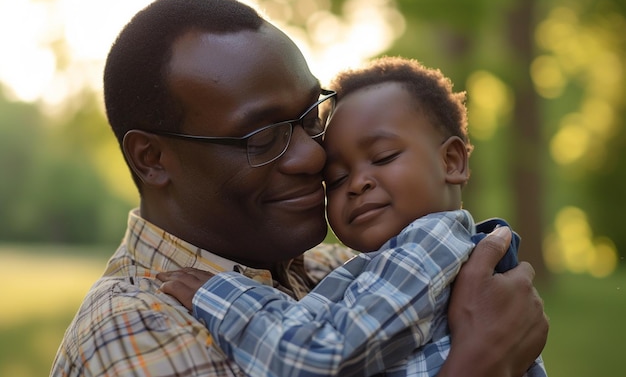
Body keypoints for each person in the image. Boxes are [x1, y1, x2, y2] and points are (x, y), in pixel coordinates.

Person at [50, 0, 548, 377]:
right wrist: (482, 361)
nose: (315, 155)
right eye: (265, 135)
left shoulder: (335, 267)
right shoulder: (135, 333)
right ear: (153, 159)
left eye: (312, 116)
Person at [157, 57, 547, 377]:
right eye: (337, 178)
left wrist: (220, 295)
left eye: (383, 158)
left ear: (451, 161)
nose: (357, 183)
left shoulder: (428, 245)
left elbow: (320, 357)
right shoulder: (389, 261)